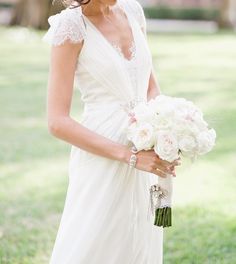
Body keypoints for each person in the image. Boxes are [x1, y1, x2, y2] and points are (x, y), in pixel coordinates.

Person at [42, 0, 180, 263]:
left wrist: (163, 134)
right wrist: (129, 156)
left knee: (138, 236)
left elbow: (150, 87)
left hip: (145, 146)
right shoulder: (70, 26)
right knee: (93, 240)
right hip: (102, 153)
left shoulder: (133, 11)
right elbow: (56, 121)